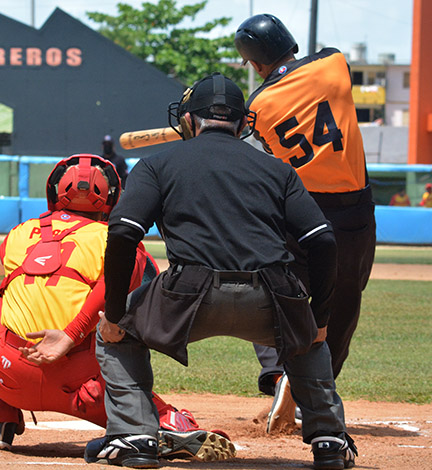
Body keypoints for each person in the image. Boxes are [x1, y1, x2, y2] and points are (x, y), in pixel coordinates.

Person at [84, 73, 357, 470]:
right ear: (243, 122)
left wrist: (113, 313)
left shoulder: (157, 164)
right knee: (308, 338)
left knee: (116, 332)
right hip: (272, 295)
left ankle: (135, 435)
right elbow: (322, 241)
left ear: (190, 120)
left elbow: (124, 234)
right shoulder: (277, 169)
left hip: (188, 295)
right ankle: (330, 439)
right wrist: (319, 318)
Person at [0, 154, 234, 461]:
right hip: (85, 386)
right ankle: (165, 420)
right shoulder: (117, 240)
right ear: (113, 198)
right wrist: (71, 333)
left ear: (54, 192)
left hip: (12, 373)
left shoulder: (18, 234)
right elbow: (134, 290)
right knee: (127, 311)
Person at [234, 14, 376, 432]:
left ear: (255, 62)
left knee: (271, 283)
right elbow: (314, 67)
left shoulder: (259, 104)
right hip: (354, 210)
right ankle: (316, 386)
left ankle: (280, 372)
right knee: (344, 298)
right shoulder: (334, 65)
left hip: (301, 209)